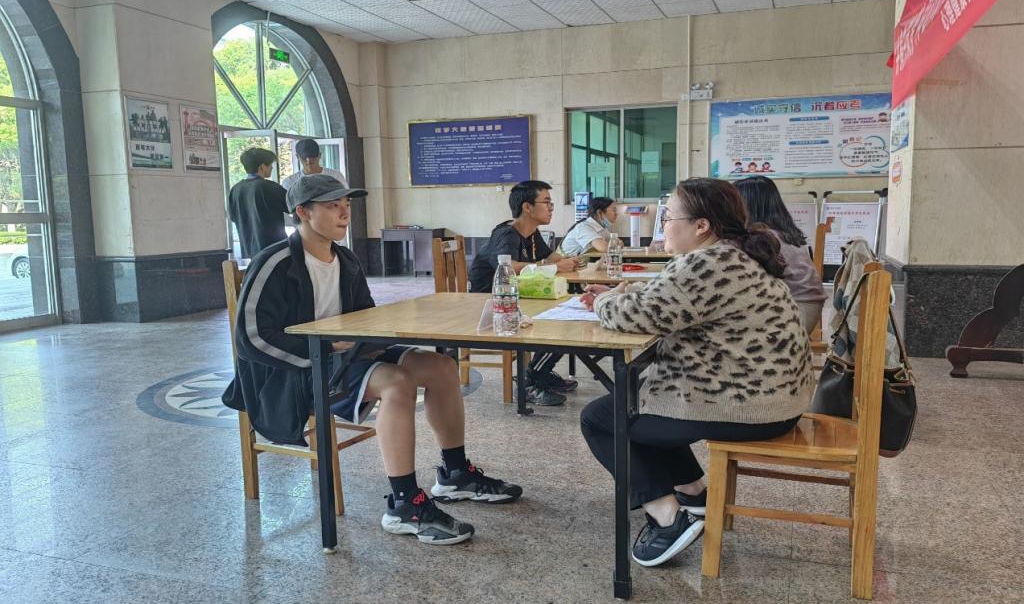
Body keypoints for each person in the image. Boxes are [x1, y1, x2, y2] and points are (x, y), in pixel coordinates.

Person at [223, 174, 522, 546]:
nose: (344, 213)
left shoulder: (345, 258)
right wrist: (328, 349)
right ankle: (404, 503)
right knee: (397, 382)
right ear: (303, 212)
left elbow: (364, 317)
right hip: (292, 372)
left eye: (346, 204)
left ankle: (455, 473)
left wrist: (385, 335)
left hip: (343, 354)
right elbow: (250, 339)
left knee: (442, 367)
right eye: (332, 205)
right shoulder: (275, 261)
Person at [579, 178, 815, 568]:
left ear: (701, 225)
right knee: (642, 400)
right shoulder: (734, 254)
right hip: (776, 396)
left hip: (750, 405)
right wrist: (622, 296)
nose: (663, 226)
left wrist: (604, 299)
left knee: (603, 418)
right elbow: (663, 302)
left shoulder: (708, 263)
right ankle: (694, 492)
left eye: (668, 218)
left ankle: (667, 517)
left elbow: (638, 315)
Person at [468, 180, 583, 406]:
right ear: (527, 207)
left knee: (568, 314)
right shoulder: (506, 234)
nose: (551, 208)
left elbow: (549, 257)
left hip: (518, 298)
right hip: (491, 305)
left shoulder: (531, 233)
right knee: (559, 322)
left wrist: (569, 261)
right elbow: (508, 266)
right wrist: (554, 266)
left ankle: (541, 373)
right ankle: (531, 381)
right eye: (546, 202)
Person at [734, 176, 827, 332]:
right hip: (808, 306)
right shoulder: (782, 233)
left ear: (745, 205)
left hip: (795, 312)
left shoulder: (763, 237)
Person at [228, 147, 288, 259]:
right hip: (274, 250)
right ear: (262, 166)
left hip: (250, 251)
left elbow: (233, 217)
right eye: (270, 165)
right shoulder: (269, 187)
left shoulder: (235, 189)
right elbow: (294, 207)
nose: (272, 168)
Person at [281, 139, 349, 191]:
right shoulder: (290, 182)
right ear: (297, 157)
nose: (308, 161)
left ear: (319, 155)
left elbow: (346, 199)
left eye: (312, 157)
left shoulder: (335, 176)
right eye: (304, 158)